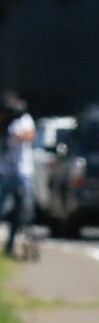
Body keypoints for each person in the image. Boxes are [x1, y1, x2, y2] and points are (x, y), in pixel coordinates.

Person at [1, 92, 36, 259]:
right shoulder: (3, 121)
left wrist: (15, 135)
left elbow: (31, 135)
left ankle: (13, 242)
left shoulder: (24, 120)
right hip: (5, 172)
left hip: (23, 171)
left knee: (24, 210)